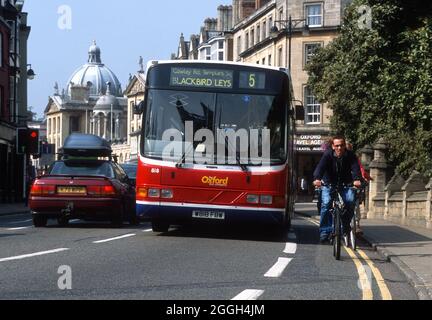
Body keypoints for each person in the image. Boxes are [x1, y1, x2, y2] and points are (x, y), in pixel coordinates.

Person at [313, 136, 362, 244]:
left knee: (350, 201)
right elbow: (320, 167)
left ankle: (345, 225)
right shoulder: (328, 155)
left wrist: (357, 179)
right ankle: (325, 232)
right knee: (326, 204)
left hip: (345, 183)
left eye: (341, 145)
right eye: (337, 146)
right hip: (329, 183)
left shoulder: (350, 155)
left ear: (345, 146)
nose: (339, 148)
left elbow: (355, 168)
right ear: (333, 146)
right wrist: (317, 179)